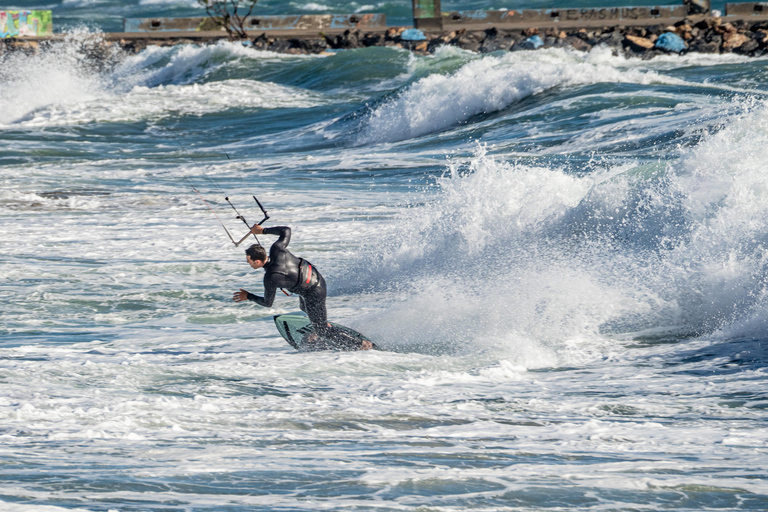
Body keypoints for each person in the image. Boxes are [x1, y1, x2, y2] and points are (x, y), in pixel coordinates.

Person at [233, 224, 373, 351]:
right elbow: (285, 230)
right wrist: (263, 231)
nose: (249, 264)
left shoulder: (271, 277)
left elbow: (267, 303)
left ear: (257, 261)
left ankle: (362, 345)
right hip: (317, 277)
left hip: (314, 292)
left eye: (249, 261)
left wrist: (248, 296)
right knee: (304, 307)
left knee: (322, 330)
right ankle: (321, 323)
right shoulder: (276, 249)